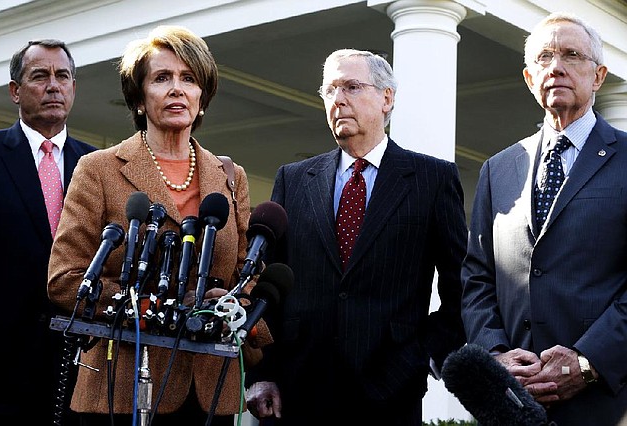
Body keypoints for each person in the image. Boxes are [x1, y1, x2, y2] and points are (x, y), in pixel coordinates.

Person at [47, 25, 272, 425]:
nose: (176, 89)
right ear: (139, 96)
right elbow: (66, 279)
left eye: (189, 79)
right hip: (121, 389)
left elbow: (245, 275)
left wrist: (230, 302)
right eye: (162, 78)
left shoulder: (230, 176)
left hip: (209, 392)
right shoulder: (98, 169)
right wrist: (159, 308)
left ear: (202, 97)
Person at [244, 48, 468, 426]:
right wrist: (262, 371)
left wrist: (426, 354)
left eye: (351, 86)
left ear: (387, 98)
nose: (339, 99)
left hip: (391, 388)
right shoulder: (294, 179)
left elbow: (460, 281)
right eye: (330, 90)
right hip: (298, 389)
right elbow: (268, 288)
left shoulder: (432, 179)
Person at [461, 11, 627, 425]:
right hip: (513, 403)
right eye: (544, 58)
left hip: (607, 401)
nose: (556, 67)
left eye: (572, 55)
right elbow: (477, 277)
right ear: (529, 78)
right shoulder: (498, 169)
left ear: (599, 76)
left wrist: (589, 362)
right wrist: (496, 353)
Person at [0, 39, 96, 424]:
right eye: (40, 76)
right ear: (15, 91)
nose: (54, 85)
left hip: (80, 363)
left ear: (73, 88)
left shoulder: (98, 167)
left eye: (62, 76)